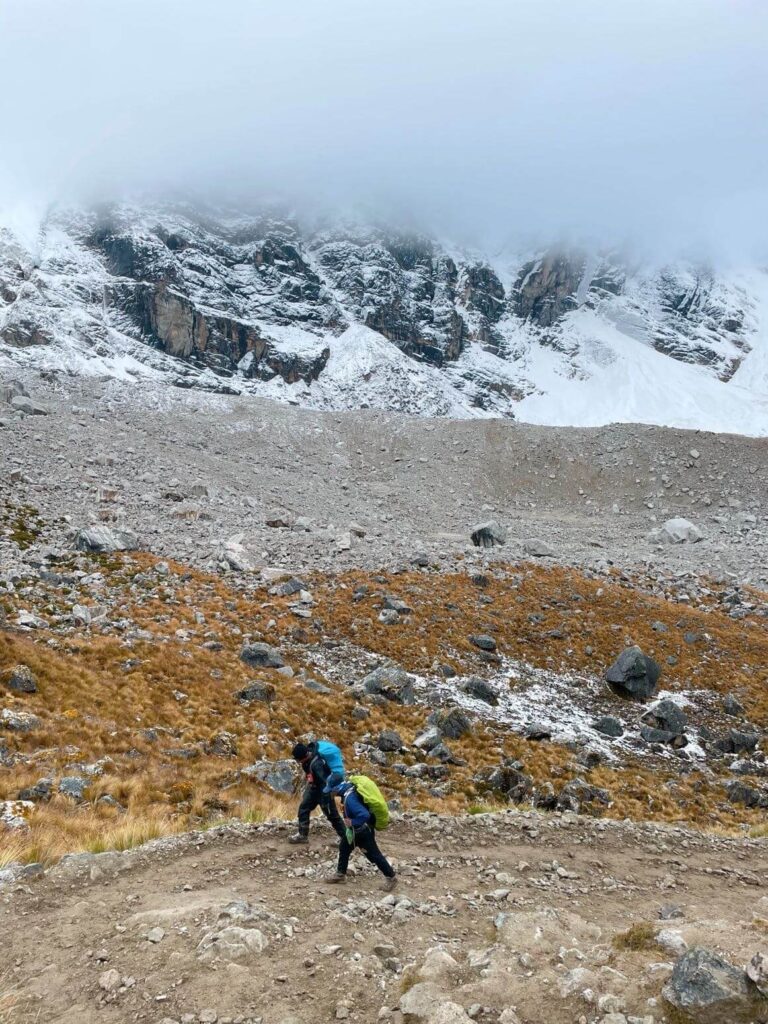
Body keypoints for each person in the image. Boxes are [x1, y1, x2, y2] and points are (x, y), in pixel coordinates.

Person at [326, 777, 397, 891]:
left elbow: (364, 815)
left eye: (331, 790)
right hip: (356, 830)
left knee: (374, 855)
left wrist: (352, 822)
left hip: (362, 832)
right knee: (344, 848)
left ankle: (391, 877)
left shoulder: (350, 799)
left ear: (337, 788)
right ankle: (340, 874)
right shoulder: (350, 789)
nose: (331, 793)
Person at [288, 741, 346, 844]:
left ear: (303, 757)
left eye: (297, 759)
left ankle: (346, 839)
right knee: (304, 808)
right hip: (314, 788)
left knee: (332, 815)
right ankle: (302, 836)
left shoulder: (317, 764)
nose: (297, 761)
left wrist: (325, 797)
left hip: (324, 791)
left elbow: (325, 781)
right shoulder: (308, 758)